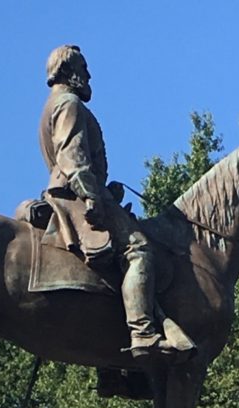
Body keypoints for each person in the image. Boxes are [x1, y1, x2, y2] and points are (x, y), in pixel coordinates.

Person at [40, 45, 174, 363]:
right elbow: (71, 155)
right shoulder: (68, 103)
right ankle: (142, 333)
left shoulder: (51, 105)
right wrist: (91, 194)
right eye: (83, 67)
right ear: (68, 71)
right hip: (75, 195)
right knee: (139, 250)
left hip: (72, 189)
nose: (88, 75)